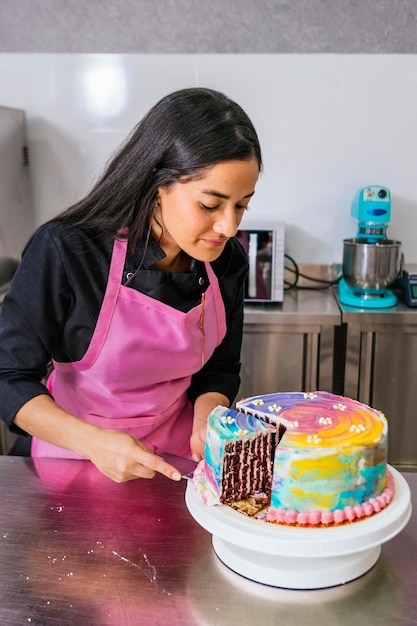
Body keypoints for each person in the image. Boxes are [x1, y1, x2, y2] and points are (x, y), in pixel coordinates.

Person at [0, 87, 261, 483]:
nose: (229, 227)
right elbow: (7, 377)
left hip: (177, 468)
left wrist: (208, 420)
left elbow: (219, 368)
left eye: (241, 205)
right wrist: (94, 443)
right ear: (158, 181)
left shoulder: (226, 262)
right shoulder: (69, 251)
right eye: (210, 205)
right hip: (72, 460)